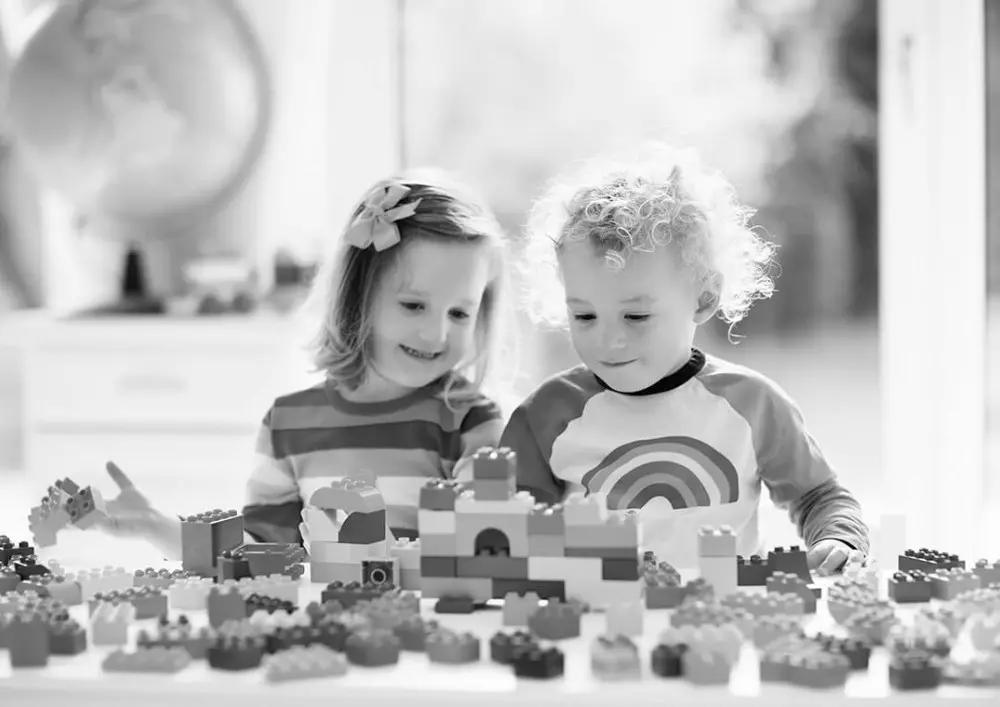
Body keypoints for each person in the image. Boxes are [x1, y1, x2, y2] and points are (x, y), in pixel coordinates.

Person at [94, 171, 512, 558]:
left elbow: (481, 545)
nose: (437, 334)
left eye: (460, 313)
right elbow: (258, 555)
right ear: (359, 297)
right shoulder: (288, 425)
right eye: (414, 305)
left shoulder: (471, 422)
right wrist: (157, 527)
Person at [503, 143, 869, 573]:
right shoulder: (546, 416)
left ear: (704, 297)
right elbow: (506, 529)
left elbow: (818, 496)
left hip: (725, 609)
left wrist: (837, 538)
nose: (608, 339)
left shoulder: (752, 405)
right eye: (584, 316)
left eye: (636, 316)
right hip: (596, 612)